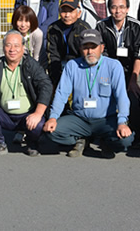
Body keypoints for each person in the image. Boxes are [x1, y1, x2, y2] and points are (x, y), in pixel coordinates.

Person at [44, 29, 133, 158]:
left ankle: (105, 141)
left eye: (94, 47)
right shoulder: (72, 66)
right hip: (80, 119)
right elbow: (61, 93)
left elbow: (122, 97)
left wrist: (122, 122)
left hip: (106, 120)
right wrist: (53, 117)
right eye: (86, 47)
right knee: (51, 132)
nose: (90, 52)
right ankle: (80, 139)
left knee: (125, 140)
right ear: (80, 49)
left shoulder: (114, 66)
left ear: (102, 48)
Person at [0, 30, 52, 157]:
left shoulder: (31, 65)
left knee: (38, 124)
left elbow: (46, 86)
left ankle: (32, 142)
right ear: (3, 47)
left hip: (27, 115)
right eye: (8, 45)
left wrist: (38, 113)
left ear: (23, 48)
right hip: (4, 114)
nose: (12, 49)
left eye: (16, 45)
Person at [96, 0, 140, 146]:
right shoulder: (101, 25)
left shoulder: (136, 26)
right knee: (105, 99)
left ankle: (136, 136)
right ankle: (105, 133)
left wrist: (133, 80)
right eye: (114, 7)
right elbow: (100, 54)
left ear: (128, 9)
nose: (118, 11)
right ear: (109, 9)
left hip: (132, 69)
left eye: (122, 7)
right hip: (108, 70)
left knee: (133, 99)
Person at [46, 0, 91, 88]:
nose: (67, 15)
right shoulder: (52, 29)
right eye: (64, 11)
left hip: (80, 68)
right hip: (59, 67)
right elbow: (52, 55)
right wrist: (56, 79)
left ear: (79, 13)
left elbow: (87, 54)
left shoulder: (84, 28)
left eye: (71, 11)